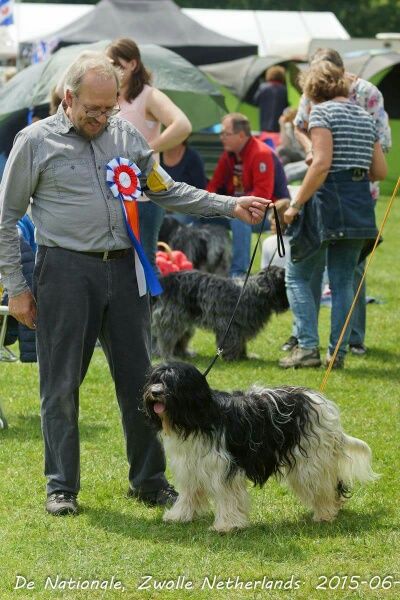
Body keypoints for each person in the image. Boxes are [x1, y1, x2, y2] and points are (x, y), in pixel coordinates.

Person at [0, 54, 271, 516]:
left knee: (142, 384)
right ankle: (61, 486)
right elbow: (6, 219)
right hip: (63, 272)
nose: (103, 118)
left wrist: (229, 205)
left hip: (125, 272)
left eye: (110, 108)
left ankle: (148, 480)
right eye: (94, 108)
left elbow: (166, 189)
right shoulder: (34, 141)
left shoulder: (126, 135)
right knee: (61, 385)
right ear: (68, 97)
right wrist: (17, 287)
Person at [279, 60, 387, 370]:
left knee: (297, 274)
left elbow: (321, 163)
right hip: (360, 204)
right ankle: (336, 355)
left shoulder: (322, 112)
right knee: (343, 283)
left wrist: (296, 204)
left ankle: (308, 348)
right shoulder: (365, 117)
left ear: (313, 88)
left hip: (328, 201)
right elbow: (379, 171)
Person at [106, 38, 192, 269]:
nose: (111, 68)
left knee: (143, 266)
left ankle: (149, 306)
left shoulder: (148, 95)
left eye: (115, 63)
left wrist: (147, 150)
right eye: (108, 63)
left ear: (133, 64)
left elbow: (182, 125)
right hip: (110, 195)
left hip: (144, 197)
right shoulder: (109, 96)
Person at [207, 113, 275, 278]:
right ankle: (204, 269)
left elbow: (262, 195)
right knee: (194, 215)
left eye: (226, 134)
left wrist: (232, 205)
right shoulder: (228, 156)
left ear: (241, 135)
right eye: (221, 134)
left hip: (264, 214)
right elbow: (213, 186)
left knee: (238, 217)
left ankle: (238, 274)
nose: (222, 138)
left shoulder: (261, 153)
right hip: (233, 208)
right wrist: (203, 204)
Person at [161, 140, 207, 224]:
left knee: (176, 221)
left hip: (185, 208)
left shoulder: (193, 157)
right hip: (159, 206)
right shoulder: (156, 155)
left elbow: (201, 190)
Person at [253, 65, 289, 133]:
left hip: (264, 123)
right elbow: (286, 105)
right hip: (277, 125)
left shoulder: (262, 87)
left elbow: (255, 102)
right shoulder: (284, 89)